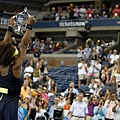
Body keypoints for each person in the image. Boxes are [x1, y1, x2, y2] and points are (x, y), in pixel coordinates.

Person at [0, 16, 35, 120]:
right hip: (9, 103)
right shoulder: (15, 67)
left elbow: (5, 44)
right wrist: (29, 26)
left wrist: (10, 27)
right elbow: (24, 44)